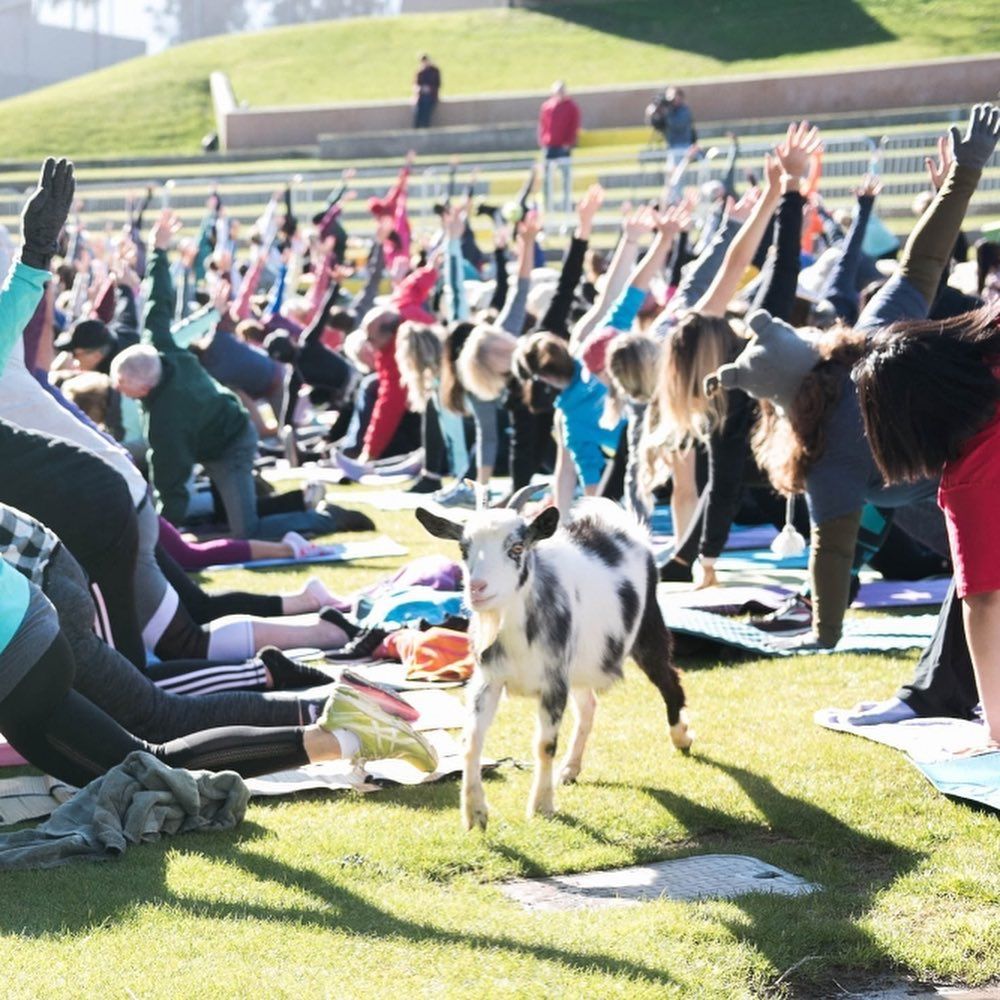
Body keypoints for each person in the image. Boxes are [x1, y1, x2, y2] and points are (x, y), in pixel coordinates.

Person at [537, 81, 581, 215]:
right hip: (549, 146)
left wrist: (568, 142)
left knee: (566, 179)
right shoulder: (547, 106)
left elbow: (574, 125)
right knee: (546, 179)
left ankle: (566, 207)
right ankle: (548, 207)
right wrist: (543, 140)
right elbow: (543, 124)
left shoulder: (571, 107)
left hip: (563, 147)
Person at [413, 54, 441, 129]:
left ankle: (426, 127)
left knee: (426, 109)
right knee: (417, 111)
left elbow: (437, 84)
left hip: (431, 96)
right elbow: (416, 85)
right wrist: (420, 89)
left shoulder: (435, 71)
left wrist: (429, 89)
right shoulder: (420, 72)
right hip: (421, 97)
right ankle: (417, 128)